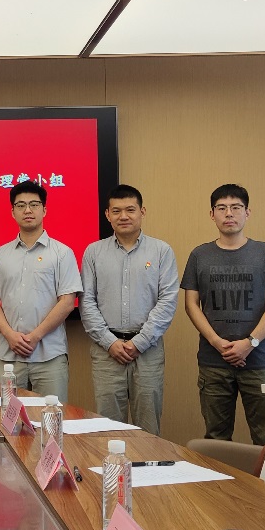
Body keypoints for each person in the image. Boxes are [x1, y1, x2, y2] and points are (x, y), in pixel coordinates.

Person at [181, 183, 265, 445]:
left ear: (247, 213)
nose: (229, 213)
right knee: (216, 439)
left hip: (259, 361)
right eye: (221, 208)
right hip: (214, 361)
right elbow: (191, 305)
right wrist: (217, 343)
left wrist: (250, 343)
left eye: (236, 207)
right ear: (212, 214)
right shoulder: (199, 255)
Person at [79, 184, 179, 435]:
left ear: (142, 212)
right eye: (116, 211)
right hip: (106, 352)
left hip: (148, 351)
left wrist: (139, 343)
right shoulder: (93, 252)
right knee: (108, 428)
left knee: (148, 429)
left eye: (130, 210)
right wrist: (110, 342)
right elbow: (87, 301)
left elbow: (167, 300)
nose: (123, 216)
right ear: (107, 215)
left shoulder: (161, 251)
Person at [0, 180, 82, 402]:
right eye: (21, 205)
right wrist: (10, 335)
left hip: (50, 357)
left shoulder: (62, 253)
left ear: (44, 210)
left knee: (51, 417)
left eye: (34, 204)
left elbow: (67, 301)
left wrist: (35, 337)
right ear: (12, 212)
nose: (27, 210)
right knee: (9, 418)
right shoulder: (0, 255)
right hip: (9, 357)